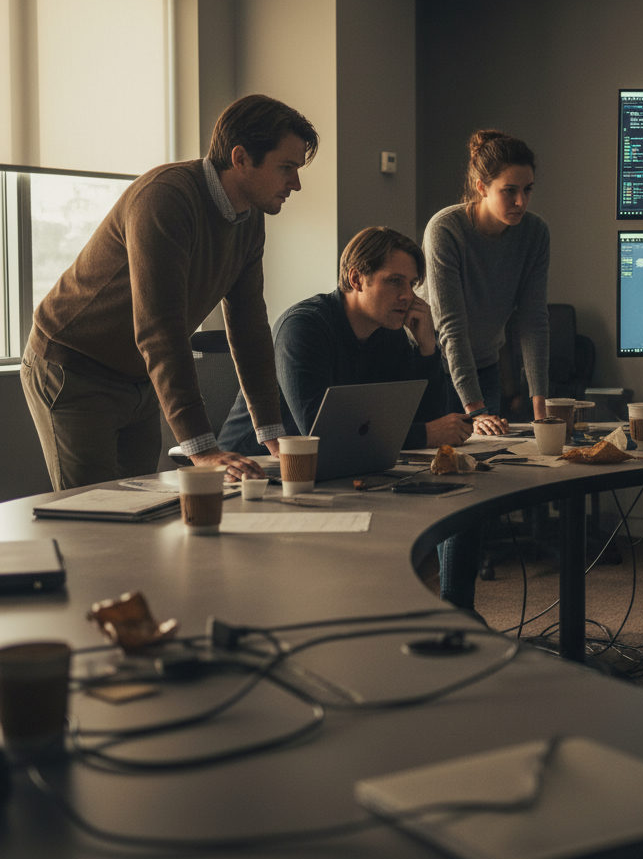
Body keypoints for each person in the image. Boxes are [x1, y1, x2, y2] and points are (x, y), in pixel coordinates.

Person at [21, 94, 319, 489]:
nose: (296, 183)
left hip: (139, 376)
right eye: (286, 168)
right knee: (95, 510)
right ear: (241, 158)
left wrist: (270, 431)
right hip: (74, 368)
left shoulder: (249, 218)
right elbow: (159, 328)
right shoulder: (165, 197)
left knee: (142, 505)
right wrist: (203, 450)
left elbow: (249, 327)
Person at [420, 130, 550, 608]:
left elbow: (532, 319)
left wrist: (542, 407)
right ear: (481, 186)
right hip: (434, 367)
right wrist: (475, 410)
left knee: (475, 488)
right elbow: (449, 327)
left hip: (486, 364)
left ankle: (459, 604)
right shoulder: (446, 229)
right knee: (451, 485)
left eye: (527, 190)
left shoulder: (534, 233)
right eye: (508, 191)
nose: (520, 202)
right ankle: (451, 606)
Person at [217, 226, 472, 453]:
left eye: (412, 284)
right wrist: (424, 435)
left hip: (333, 469)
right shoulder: (303, 328)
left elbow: (430, 422)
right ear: (356, 279)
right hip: (253, 469)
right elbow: (317, 434)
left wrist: (427, 348)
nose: (408, 296)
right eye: (395, 281)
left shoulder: (388, 332)